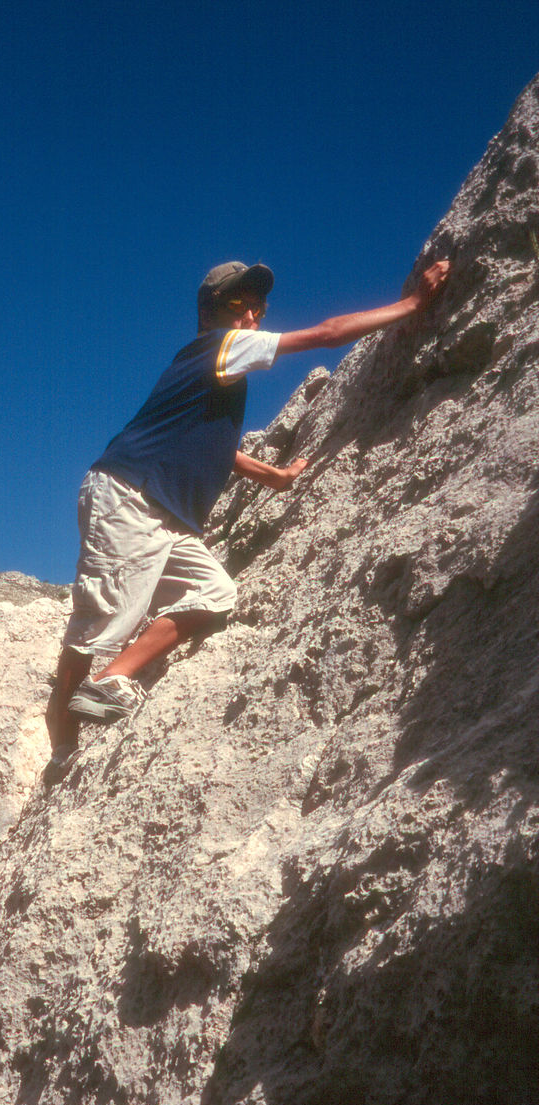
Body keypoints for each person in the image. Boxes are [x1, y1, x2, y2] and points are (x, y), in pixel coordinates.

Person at [45, 257, 451, 771]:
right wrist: (414, 304)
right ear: (212, 312)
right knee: (99, 622)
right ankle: (60, 729)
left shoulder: (215, 379)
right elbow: (326, 334)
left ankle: (109, 680)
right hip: (132, 496)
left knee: (216, 594)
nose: (253, 315)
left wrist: (274, 477)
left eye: (259, 306)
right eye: (240, 304)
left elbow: (215, 448)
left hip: (169, 515)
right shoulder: (220, 347)